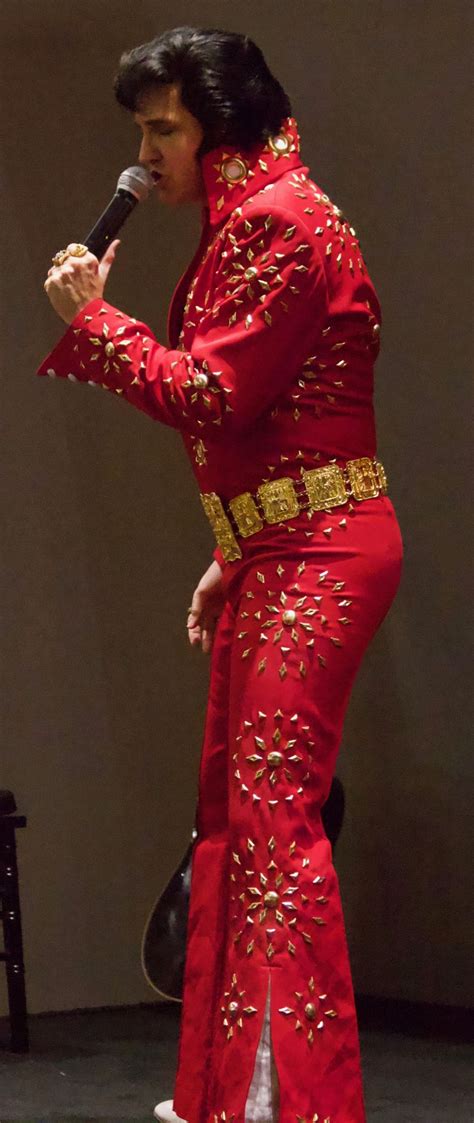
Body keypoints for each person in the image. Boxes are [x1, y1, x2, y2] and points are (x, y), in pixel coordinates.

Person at [39, 26, 404, 1123]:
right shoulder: (254, 216)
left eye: (164, 129)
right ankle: (229, 1096)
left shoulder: (279, 222)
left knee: (274, 827)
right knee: (237, 823)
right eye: (143, 130)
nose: (147, 153)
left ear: (220, 126)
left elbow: (212, 395)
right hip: (282, 549)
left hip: (323, 553)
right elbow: (280, 418)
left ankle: (294, 1104)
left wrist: (94, 324)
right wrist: (233, 546)